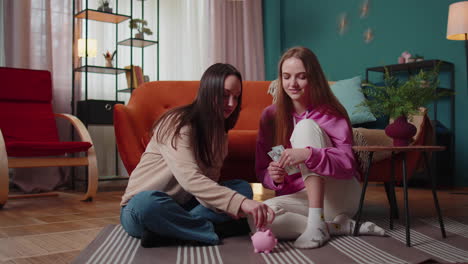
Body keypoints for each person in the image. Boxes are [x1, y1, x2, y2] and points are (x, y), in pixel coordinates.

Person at [120, 63, 275, 247]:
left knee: (241, 187)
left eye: (236, 97)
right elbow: (191, 179)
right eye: (225, 95)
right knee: (146, 204)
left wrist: (231, 202)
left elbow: (207, 183)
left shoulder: (220, 133)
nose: (232, 104)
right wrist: (240, 205)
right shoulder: (177, 123)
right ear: (208, 91)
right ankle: (215, 229)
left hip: (186, 204)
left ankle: (172, 233)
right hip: (143, 208)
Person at [255, 46, 384, 249]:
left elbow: (347, 164)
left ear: (313, 78)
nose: (292, 84)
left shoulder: (331, 112)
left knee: (305, 127)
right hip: (301, 198)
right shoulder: (270, 116)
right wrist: (274, 176)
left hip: (339, 194)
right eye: (286, 77)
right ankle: (336, 227)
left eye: (301, 77)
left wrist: (308, 154)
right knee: (258, 217)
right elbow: (262, 169)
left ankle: (317, 222)